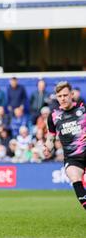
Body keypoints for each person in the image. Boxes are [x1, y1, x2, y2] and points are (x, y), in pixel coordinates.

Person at [44, 81, 86, 211]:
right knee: (74, 177)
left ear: (71, 94)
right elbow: (51, 137)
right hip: (72, 158)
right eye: (60, 96)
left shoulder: (83, 109)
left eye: (65, 95)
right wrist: (48, 147)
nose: (63, 98)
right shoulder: (53, 116)